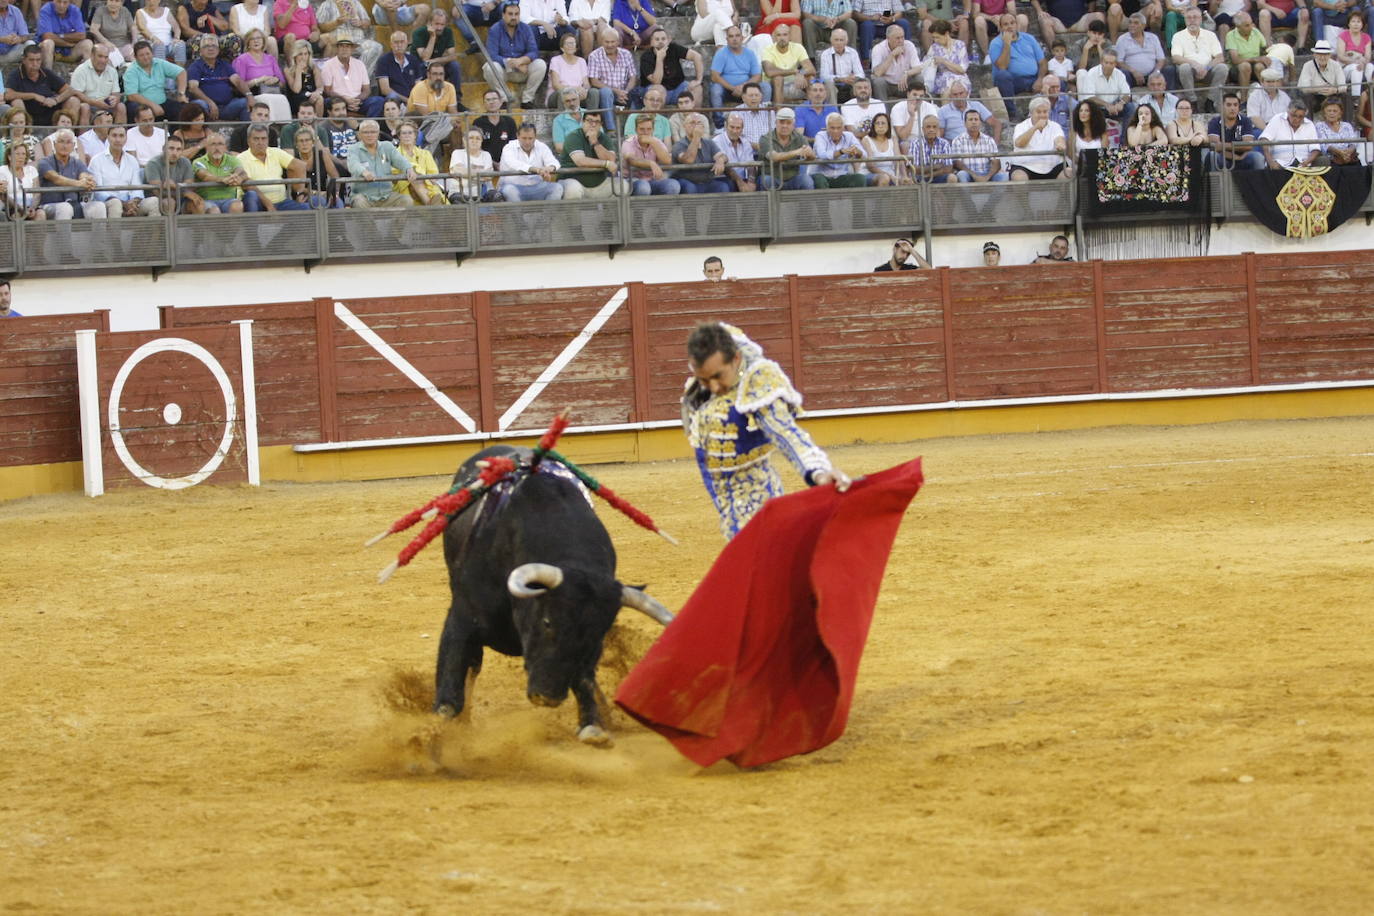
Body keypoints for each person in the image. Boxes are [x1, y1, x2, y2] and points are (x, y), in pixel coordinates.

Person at [682, 321, 850, 539]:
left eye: (718, 377)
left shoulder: (758, 383)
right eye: (705, 379)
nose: (713, 387)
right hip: (722, 496)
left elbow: (788, 435)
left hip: (756, 496)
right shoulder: (706, 380)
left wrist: (819, 473)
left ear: (736, 359)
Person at [348, 117, 423, 206]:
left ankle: (395, 221)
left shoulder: (387, 146)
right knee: (359, 201)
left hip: (387, 195)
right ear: (360, 134)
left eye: (373, 132)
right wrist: (364, 172)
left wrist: (409, 169)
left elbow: (400, 160)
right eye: (366, 132)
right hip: (364, 196)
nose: (369, 135)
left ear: (378, 133)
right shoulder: (353, 149)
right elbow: (353, 164)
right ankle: (369, 221)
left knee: (407, 200)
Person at [485, 1, 547, 107]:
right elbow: (492, 55)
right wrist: (512, 63)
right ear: (503, 15)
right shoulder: (495, 29)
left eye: (516, 14)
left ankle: (527, 100)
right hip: (504, 71)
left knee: (540, 64)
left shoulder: (526, 28)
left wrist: (521, 61)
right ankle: (503, 100)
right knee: (490, 67)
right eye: (510, 14)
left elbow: (533, 51)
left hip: (524, 69)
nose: (514, 17)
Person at [240, 122, 311, 210]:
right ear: (248, 141)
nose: (260, 142)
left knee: (305, 208)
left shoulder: (275, 152)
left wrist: (299, 193)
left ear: (268, 140)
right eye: (256, 139)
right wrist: (269, 204)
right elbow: (248, 185)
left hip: (281, 202)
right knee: (251, 195)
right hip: (259, 203)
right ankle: (253, 223)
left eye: (263, 139)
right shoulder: (241, 158)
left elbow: (300, 166)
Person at [989, 11, 1044, 120]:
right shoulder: (996, 43)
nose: (1010, 26)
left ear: (1017, 25)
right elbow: (1002, 67)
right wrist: (1007, 44)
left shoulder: (1029, 38)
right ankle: (1012, 114)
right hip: (1013, 82)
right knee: (1002, 75)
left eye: (1012, 23)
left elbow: (1042, 62)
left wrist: (1040, 78)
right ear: (1000, 27)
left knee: (1057, 81)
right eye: (1006, 24)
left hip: (1033, 79)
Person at [5, 44, 78, 127]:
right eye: (31, 60)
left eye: (38, 60)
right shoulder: (16, 74)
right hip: (27, 113)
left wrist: (56, 100)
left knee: (73, 100)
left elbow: (69, 90)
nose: (35, 64)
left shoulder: (46, 73)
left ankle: (68, 134)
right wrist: (33, 96)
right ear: (24, 60)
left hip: (49, 111)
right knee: (16, 102)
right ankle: (25, 134)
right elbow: (8, 95)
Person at [1171, 7, 1225, 115]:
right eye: (1189, 17)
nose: (1192, 20)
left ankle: (1210, 101)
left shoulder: (1210, 35)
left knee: (1223, 68)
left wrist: (1207, 68)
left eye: (1195, 17)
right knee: (1184, 67)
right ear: (1185, 20)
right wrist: (1194, 64)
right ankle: (1192, 101)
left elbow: (1220, 57)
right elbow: (1176, 57)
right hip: (1189, 71)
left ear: (1200, 19)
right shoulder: (1178, 36)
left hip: (1208, 71)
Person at [36, 127, 98, 218]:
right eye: (61, 141)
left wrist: (87, 181)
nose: (64, 146)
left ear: (73, 146)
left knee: (98, 206)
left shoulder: (77, 162)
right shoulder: (44, 162)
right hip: (50, 205)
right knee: (65, 208)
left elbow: (83, 175)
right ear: (54, 144)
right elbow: (57, 179)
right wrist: (79, 183)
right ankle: (64, 233)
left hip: (75, 204)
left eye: (68, 142)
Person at [187, 32, 249, 122]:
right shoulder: (195, 66)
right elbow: (193, 88)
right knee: (199, 105)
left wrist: (249, 95)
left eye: (214, 46)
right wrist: (210, 103)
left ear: (218, 50)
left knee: (245, 102)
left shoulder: (225, 65)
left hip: (227, 106)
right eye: (206, 46)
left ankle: (247, 132)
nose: (211, 48)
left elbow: (237, 81)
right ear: (200, 51)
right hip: (206, 106)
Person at [86, 124, 145, 218]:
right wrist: (123, 203)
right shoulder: (96, 160)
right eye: (114, 135)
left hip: (130, 202)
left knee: (153, 202)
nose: (118, 140)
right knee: (116, 204)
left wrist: (134, 202)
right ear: (108, 138)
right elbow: (98, 191)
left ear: (126, 138)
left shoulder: (132, 160)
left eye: (121, 136)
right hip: (107, 202)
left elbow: (137, 187)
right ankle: (115, 233)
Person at [559, 108, 619, 198]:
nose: (593, 125)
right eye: (589, 121)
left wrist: (595, 142)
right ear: (583, 122)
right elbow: (580, 161)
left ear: (601, 125)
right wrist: (606, 164)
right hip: (573, 180)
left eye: (597, 122)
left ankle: (610, 213)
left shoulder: (605, 138)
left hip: (599, 184)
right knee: (573, 189)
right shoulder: (574, 136)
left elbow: (611, 159)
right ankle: (571, 213)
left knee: (622, 186)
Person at [123, 39, 187, 121]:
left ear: (152, 54)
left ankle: (174, 133)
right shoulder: (131, 71)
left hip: (162, 102)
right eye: (141, 55)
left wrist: (181, 94)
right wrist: (153, 105)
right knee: (133, 107)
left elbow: (181, 72)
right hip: (141, 104)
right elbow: (132, 95)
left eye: (148, 54)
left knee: (181, 109)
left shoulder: (159, 63)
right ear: (135, 57)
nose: (146, 57)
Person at [639, 26, 704, 106]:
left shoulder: (673, 48)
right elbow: (656, 81)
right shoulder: (646, 57)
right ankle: (657, 118)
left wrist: (698, 80)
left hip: (678, 88)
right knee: (658, 90)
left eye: (663, 39)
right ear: (651, 42)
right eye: (657, 39)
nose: (660, 42)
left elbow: (696, 56)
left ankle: (694, 117)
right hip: (657, 89)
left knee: (697, 88)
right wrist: (659, 59)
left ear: (668, 40)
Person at [497, 121, 563, 200]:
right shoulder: (509, 147)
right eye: (524, 138)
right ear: (517, 136)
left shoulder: (541, 146)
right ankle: (518, 213)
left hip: (537, 187)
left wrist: (548, 169)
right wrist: (537, 170)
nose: (527, 142)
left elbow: (555, 163)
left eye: (530, 138)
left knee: (557, 188)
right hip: (513, 186)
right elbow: (515, 164)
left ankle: (547, 213)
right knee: (509, 190)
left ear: (535, 137)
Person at [673, 111, 733, 193]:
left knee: (723, 187)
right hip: (688, 181)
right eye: (692, 123)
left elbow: (722, 156)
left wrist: (720, 160)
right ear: (684, 126)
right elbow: (688, 160)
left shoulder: (709, 143)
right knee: (690, 188)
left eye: (699, 123)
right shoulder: (679, 144)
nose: (696, 126)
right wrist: (696, 138)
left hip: (707, 181)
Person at [142, 133, 202, 214]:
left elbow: (188, 186)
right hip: (158, 202)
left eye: (178, 149)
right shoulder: (153, 164)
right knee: (170, 202)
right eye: (171, 148)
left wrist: (174, 186)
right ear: (163, 149)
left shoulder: (185, 162)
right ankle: (171, 227)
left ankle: (199, 226)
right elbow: (157, 192)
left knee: (198, 202)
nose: (175, 153)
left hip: (181, 199)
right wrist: (183, 191)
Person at [588, 27, 637, 125]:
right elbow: (594, 81)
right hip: (608, 93)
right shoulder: (594, 56)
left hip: (625, 92)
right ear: (601, 41)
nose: (610, 45)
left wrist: (625, 92)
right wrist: (616, 91)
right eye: (607, 42)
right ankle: (611, 128)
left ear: (618, 42)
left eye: (613, 42)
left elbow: (632, 77)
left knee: (639, 93)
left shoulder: (626, 54)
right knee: (606, 92)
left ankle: (632, 126)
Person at [621, 111, 678, 194]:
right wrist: (651, 163)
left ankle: (663, 206)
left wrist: (653, 142)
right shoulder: (628, 143)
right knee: (644, 187)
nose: (645, 132)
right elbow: (632, 160)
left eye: (649, 129)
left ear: (653, 129)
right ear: (636, 130)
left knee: (673, 185)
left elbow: (667, 161)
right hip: (633, 179)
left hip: (652, 179)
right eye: (642, 129)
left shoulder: (656, 142)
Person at [69, 41, 125, 125]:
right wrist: (95, 103)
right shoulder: (81, 70)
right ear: (92, 55)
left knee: (121, 106)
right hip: (88, 105)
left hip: (107, 106)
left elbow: (116, 93)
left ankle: (119, 134)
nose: (103, 60)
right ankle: (83, 137)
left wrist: (115, 99)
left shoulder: (112, 71)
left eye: (106, 57)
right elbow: (76, 93)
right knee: (85, 107)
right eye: (100, 56)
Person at [1010, 95, 1067, 178]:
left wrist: (1060, 144)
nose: (1042, 115)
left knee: (1068, 172)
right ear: (1031, 113)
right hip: (1025, 166)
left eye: (1045, 112)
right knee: (1019, 176)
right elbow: (1019, 143)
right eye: (1038, 112)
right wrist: (1035, 127)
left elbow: (1059, 139)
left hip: (1052, 165)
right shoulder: (1021, 126)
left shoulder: (1055, 126)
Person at [759, 106, 815, 187]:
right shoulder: (765, 138)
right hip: (773, 177)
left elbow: (812, 157)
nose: (784, 126)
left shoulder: (800, 137)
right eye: (781, 122)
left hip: (793, 178)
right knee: (767, 181)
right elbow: (775, 157)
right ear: (776, 122)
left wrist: (809, 153)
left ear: (793, 124)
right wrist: (797, 152)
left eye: (788, 123)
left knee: (806, 181)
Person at [193, 129, 248, 212]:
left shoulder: (232, 159)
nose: (217, 148)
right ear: (207, 147)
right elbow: (205, 176)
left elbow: (242, 172)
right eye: (213, 144)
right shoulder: (198, 161)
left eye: (220, 144)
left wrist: (237, 177)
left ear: (225, 147)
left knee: (237, 205)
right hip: (207, 200)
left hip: (229, 200)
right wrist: (222, 179)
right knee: (214, 210)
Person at [372, 30, 425, 116]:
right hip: (394, 99)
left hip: (411, 98)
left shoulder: (413, 60)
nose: (399, 45)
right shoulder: (384, 60)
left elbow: (418, 86)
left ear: (407, 43)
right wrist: (407, 100)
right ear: (391, 44)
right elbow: (385, 90)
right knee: (392, 98)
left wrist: (414, 100)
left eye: (402, 42)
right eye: (396, 42)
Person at [1206, 91, 1264, 169]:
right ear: (1222, 107)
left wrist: (1225, 145)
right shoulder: (1214, 122)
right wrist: (1235, 156)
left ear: (1238, 107)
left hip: (1243, 158)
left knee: (1258, 157)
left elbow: (1248, 146)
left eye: (1235, 105)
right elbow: (1215, 147)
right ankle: (1213, 181)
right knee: (1212, 155)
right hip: (1223, 158)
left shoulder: (1246, 121)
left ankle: (1258, 181)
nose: (1232, 108)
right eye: (1229, 105)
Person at [392, 120, 444, 204]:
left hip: (427, 186)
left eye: (410, 133)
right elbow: (394, 175)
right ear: (399, 136)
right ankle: (430, 204)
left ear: (415, 135)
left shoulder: (425, 153)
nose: (407, 136)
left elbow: (433, 175)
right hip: (404, 186)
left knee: (418, 179)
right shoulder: (394, 154)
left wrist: (420, 176)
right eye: (404, 133)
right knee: (414, 176)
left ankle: (430, 203)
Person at [810, 110, 867, 187]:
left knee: (860, 178)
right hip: (822, 175)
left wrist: (857, 151)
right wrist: (841, 152)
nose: (835, 131)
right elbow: (822, 155)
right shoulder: (820, 135)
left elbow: (864, 155)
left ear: (843, 128)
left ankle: (857, 199)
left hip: (842, 176)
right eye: (832, 128)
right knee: (819, 180)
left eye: (838, 128)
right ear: (827, 127)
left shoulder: (849, 136)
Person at [761, 22, 814, 103]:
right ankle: (778, 111)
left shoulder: (798, 47)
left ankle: (812, 109)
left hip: (794, 83)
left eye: (785, 34)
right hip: (774, 85)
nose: (782, 38)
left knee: (810, 77)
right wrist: (794, 71)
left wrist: (801, 73)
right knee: (778, 78)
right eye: (779, 35)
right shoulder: (768, 49)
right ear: (774, 37)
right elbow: (769, 72)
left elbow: (811, 68)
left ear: (790, 36)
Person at [1077, 48, 1132, 124]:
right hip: (1098, 108)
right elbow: (1090, 97)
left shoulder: (1119, 74)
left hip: (1115, 107)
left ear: (1115, 64)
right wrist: (1107, 105)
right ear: (1101, 62)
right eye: (1106, 63)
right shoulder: (1092, 73)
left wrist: (1121, 103)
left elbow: (1127, 94)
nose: (1108, 66)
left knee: (1131, 107)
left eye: (1111, 63)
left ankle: (1125, 135)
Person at [1259, 99, 1321, 167]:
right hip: (1280, 163)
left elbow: (1315, 149)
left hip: (1303, 163)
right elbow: (1264, 140)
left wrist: (1306, 162)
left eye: (1300, 117)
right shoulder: (1277, 119)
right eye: (1294, 115)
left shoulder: (1309, 124)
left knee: (1322, 161)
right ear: (1288, 111)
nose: (1297, 119)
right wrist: (1271, 162)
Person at [320, 36, 371, 116]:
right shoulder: (328, 65)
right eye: (341, 46)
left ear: (352, 49)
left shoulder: (360, 64)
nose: (344, 49)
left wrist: (356, 100)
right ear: (337, 49)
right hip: (338, 100)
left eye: (347, 46)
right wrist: (344, 99)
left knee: (377, 101)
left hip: (358, 101)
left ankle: (370, 126)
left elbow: (366, 90)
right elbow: (327, 91)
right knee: (327, 102)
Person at [951, 107, 1005, 180]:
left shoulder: (989, 140)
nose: (974, 122)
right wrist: (974, 175)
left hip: (986, 173)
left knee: (1002, 176)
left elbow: (996, 163)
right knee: (962, 174)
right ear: (965, 123)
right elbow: (957, 163)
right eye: (970, 120)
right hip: (968, 174)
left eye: (976, 119)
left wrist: (987, 177)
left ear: (980, 123)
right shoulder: (958, 140)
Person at [922, 18, 970, 98]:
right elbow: (925, 65)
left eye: (937, 37)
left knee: (958, 86)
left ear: (946, 33)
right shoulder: (934, 47)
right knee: (947, 87)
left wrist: (944, 61)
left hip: (960, 78)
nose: (935, 40)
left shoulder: (960, 45)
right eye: (933, 38)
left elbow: (962, 69)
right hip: (943, 78)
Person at [37, 0, 92, 69]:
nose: (61, 5)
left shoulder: (75, 10)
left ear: (69, 2)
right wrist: (67, 44)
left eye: (65, 2)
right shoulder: (46, 9)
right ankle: (48, 76)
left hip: (70, 51)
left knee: (88, 43)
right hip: (52, 50)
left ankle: (90, 75)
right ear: (54, 1)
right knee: (48, 43)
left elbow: (81, 35)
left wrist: (60, 36)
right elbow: (47, 36)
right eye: (58, 1)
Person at [448, 126, 499, 201]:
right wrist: (481, 174)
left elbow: (488, 175)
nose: (474, 141)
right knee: (459, 200)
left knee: (497, 197)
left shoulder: (486, 155)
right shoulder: (457, 153)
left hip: (484, 193)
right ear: (464, 140)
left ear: (481, 141)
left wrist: (467, 175)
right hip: (460, 192)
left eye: (478, 138)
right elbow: (459, 171)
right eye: (471, 138)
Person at [1114, 12, 1164, 87]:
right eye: (1130, 22)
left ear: (1143, 26)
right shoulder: (1122, 39)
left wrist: (1156, 72)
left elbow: (1161, 59)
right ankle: (1126, 97)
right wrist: (1133, 71)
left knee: (1169, 70)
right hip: (1131, 75)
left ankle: (1169, 97)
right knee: (1123, 72)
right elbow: (1119, 61)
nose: (1132, 25)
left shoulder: (1153, 38)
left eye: (1136, 23)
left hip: (1152, 75)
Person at [1298, 40, 1347, 116]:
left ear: (1330, 55)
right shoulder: (1307, 65)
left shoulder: (1336, 65)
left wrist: (1335, 90)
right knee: (1307, 97)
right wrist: (1319, 89)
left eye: (1325, 54)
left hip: (1332, 95)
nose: (1323, 57)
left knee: (1346, 96)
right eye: (1320, 54)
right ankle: (1308, 124)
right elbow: (1304, 88)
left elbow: (1343, 86)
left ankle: (1348, 124)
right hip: (1315, 95)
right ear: (1315, 55)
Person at [818, 25, 863, 105]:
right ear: (831, 41)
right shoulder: (825, 54)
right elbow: (824, 76)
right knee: (828, 83)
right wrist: (841, 79)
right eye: (836, 40)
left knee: (862, 82)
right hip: (834, 83)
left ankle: (859, 110)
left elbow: (861, 73)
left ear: (846, 41)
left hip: (849, 83)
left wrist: (853, 78)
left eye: (841, 40)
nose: (838, 43)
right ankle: (834, 112)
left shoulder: (853, 52)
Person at [0, 144, 44, 222]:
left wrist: (32, 208)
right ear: (9, 157)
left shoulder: (31, 170)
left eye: (23, 154)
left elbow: (37, 193)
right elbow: (3, 196)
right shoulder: (2, 170)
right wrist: (21, 209)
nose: (21, 156)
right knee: (16, 215)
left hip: (31, 205)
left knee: (41, 214)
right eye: (17, 154)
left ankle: (37, 235)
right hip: (11, 206)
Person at [714, 111, 757, 190]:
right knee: (729, 185)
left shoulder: (745, 141)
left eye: (738, 128)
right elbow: (726, 168)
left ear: (742, 129)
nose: (734, 131)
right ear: (725, 126)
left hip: (743, 178)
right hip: (725, 177)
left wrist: (751, 182)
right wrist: (739, 182)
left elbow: (751, 164)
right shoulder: (717, 141)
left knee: (759, 183)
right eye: (732, 127)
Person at [1337, 10, 1374, 98]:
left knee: (1371, 67)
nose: (1356, 24)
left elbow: (1368, 57)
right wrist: (1356, 61)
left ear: (1362, 24)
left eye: (1358, 21)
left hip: (1362, 63)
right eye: (1353, 21)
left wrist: (1363, 62)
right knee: (1356, 68)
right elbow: (1341, 56)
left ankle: (1371, 93)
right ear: (1349, 24)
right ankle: (1356, 97)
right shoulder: (1343, 35)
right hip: (1345, 67)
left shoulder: (1366, 37)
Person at [549, 31, 591, 108]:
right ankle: (563, 119)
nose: (570, 45)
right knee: (563, 93)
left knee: (593, 92)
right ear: (562, 48)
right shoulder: (555, 60)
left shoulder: (582, 61)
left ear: (576, 47)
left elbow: (586, 84)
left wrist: (584, 90)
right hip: (558, 94)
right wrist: (574, 89)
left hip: (578, 95)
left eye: (573, 43)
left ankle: (590, 118)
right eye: (567, 43)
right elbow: (556, 85)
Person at [136, 0, 186, 64]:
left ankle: (180, 72)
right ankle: (160, 72)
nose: (151, 2)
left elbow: (176, 27)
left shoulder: (166, 11)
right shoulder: (140, 12)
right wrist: (154, 38)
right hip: (151, 44)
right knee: (159, 46)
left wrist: (176, 38)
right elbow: (142, 29)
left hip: (170, 44)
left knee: (180, 44)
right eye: (148, 0)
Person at [1314, 94, 1360, 164]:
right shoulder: (1319, 126)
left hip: (1348, 157)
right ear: (1324, 113)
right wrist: (1340, 153)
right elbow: (1324, 146)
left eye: (1335, 111)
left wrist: (1348, 152)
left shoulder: (1347, 126)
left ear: (1340, 113)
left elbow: (1353, 143)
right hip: (1331, 160)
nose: (1331, 113)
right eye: (1329, 111)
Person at [475, 88, 517, 162]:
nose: (491, 102)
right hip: (485, 163)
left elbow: (514, 145)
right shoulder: (478, 123)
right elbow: (476, 147)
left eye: (494, 99)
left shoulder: (509, 122)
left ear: (501, 102)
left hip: (507, 162)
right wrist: (492, 163)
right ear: (484, 104)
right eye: (488, 100)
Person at [865, 109, 906, 183]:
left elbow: (899, 159)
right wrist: (890, 177)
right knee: (885, 179)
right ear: (873, 126)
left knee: (907, 181)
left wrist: (904, 176)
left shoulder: (893, 139)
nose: (880, 126)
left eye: (883, 123)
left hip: (891, 175)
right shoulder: (866, 140)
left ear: (888, 126)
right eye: (877, 123)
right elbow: (871, 166)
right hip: (872, 174)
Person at [907, 112, 951, 181]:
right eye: (928, 127)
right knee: (913, 179)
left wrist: (929, 175)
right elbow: (912, 168)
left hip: (937, 176)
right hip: (920, 178)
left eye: (934, 127)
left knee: (952, 177)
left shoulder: (944, 143)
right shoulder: (915, 144)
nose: (931, 129)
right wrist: (934, 166)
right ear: (923, 129)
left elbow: (948, 168)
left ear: (938, 129)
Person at [90, 0, 135, 65]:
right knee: (112, 61)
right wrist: (106, 42)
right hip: (106, 46)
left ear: (121, 3)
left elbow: (133, 27)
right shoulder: (100, 11)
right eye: (111, 0)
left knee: (135, 57)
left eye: (117, 1)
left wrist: (134, 42)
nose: (113, 4)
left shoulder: (125, 11)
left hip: (124, 44)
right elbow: (93, 29)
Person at [1247, 67, 1291, 132]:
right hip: (1261, 129)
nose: (1271, 84)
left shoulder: (1284, 97)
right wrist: (1269, 132)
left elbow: (1289, 116)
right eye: (1268, 81)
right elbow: (1254, 118)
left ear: (1278, 82)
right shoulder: (1255, 96)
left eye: (1273, 81)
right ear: (1262, 82)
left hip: (1281, 128)